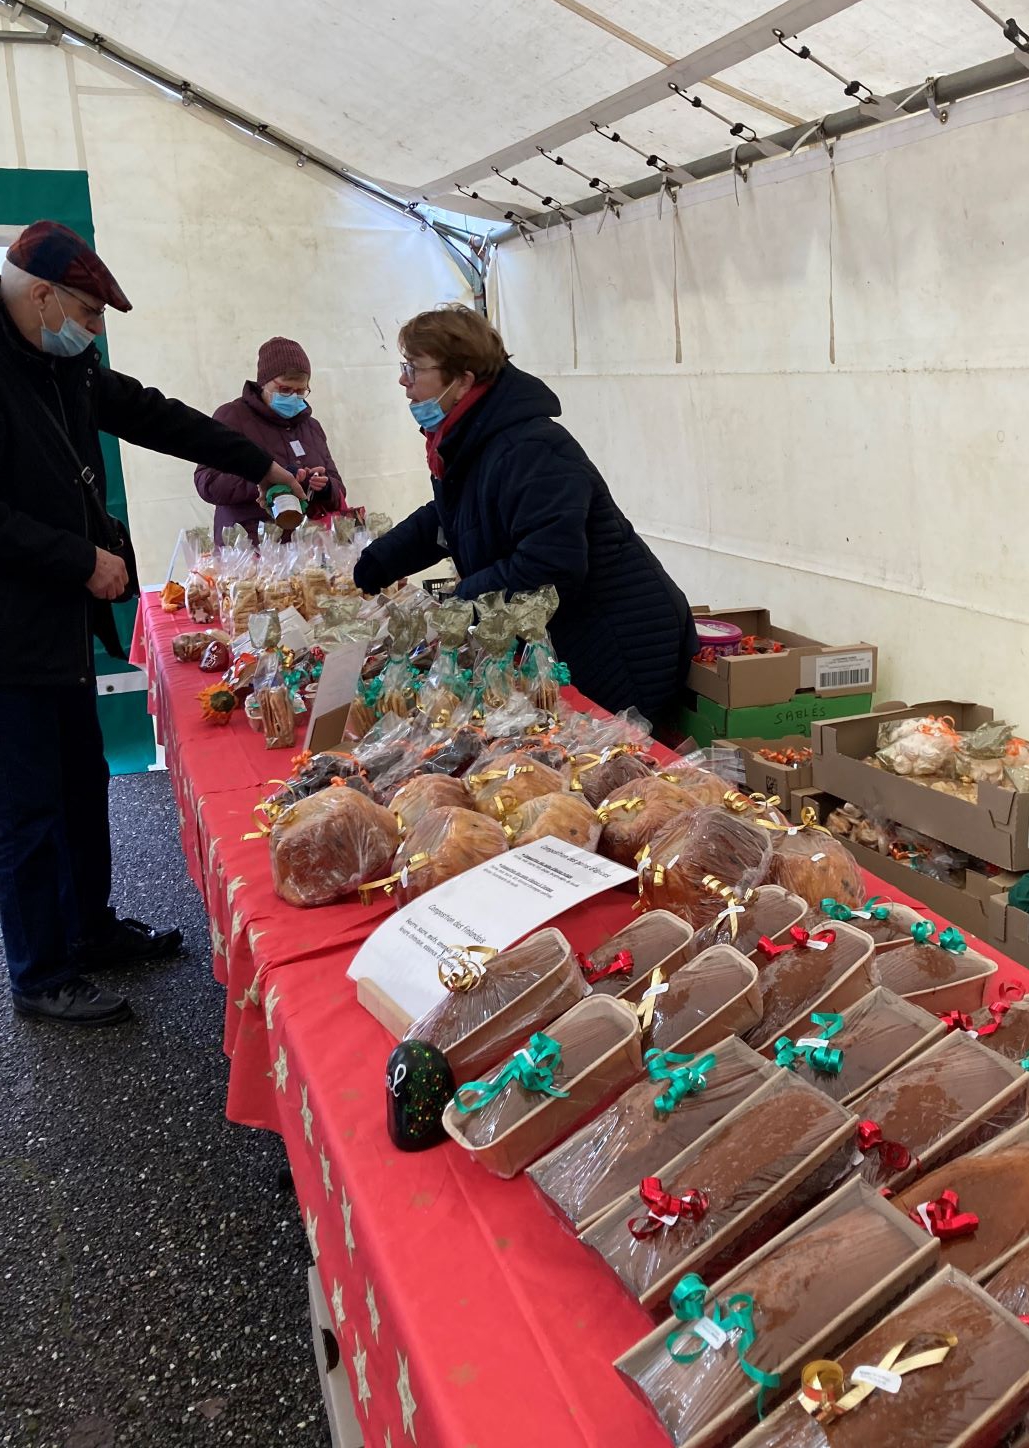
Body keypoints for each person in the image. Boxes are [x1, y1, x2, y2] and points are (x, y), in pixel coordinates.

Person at [0, 221, 298, 1027]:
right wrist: (78, 558)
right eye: (89, 316)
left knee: (80, 780)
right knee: (27, 809)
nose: (93, 334)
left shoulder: (63, 361)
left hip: (61, 621)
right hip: (12, 629)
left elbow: (154, 415)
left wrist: (261, 463)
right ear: (40, 296)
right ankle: (38, 973)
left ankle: (88, 930)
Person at [353, 303, 697, 718]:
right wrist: (377, 562)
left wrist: (457, 604)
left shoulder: (532, 449)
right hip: (567, 637)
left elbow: (550, 565)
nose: (403, 380)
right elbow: (451, 518)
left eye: (413, 368)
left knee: (605, 769)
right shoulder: (470, 440)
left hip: (618, 642)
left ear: (462, 381)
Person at [194, 337, 347, 543]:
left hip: (306, 550)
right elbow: (207, 482)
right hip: (248, 552)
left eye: (301, 391)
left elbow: (338, 487)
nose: (293, 397)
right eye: (285, 390)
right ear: (263, 383)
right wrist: (265, 474)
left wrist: (325, 488)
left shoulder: (311, 427)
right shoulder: (232, 417)